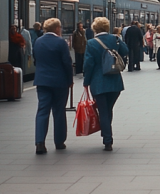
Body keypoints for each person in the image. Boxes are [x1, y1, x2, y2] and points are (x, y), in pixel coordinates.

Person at [83, 17, 128, 151]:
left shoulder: (91, 43)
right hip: (115, 82)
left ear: (95, 28)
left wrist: (86, 82)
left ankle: (108, 139)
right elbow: (126, 51)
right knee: (108, 109)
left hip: (98, 83)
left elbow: (88, 64)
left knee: (103, 111)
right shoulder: (115, 39)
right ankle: (106, 134)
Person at [32, 18, 73, 154]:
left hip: (42, 81)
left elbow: (36, 60)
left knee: (42, 110)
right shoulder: (61, 42)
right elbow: (67, 63)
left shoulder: (38, 41)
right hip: (59, 82)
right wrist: (70, 80)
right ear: (57, 29)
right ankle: (59, 141)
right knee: (59, 111)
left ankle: (40, 142)